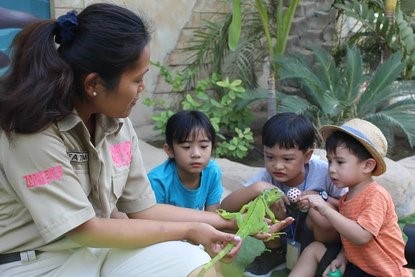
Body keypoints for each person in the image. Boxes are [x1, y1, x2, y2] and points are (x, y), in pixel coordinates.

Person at [0, 4, 294, 276]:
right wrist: (191, 230)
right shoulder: (31, 130)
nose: (142, 89)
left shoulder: (117, 124)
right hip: (37, 263)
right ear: (94, 84)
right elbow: (83, 229)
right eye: (136, 80)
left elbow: (143, 209)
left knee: (197, 265)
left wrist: (231, 223)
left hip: (98, 251)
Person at [221, 112, 347, 277]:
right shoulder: (265, 178)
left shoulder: (325, 172)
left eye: (287, 159)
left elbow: (348, 208)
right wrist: (258, 188)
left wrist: (320, 197)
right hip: (284, 235)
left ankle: (320, 256)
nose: (277, 166)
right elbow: (225, 207)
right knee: (265, 200)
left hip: (320, 237)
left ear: (307, 155)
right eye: (270, 157)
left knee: (319, 211)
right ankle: (276, 253)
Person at [289, 118, 412, 277]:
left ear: (368, 165)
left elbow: (361, 236)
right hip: (358, 267)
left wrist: (325, 208)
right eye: (329, 161)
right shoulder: (346, 198)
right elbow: (349, 240)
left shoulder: (376, 195)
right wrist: (343, 258)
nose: (331, 169)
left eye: (340, 162)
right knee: (314, 249)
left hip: (385, 273)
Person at [148, 110, 223, 211]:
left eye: (203, 146)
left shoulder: (212, 172)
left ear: (212, 148)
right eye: (186, 147)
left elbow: (213, 215)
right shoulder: (157, 181)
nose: (196, 154)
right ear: (170, 150)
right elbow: (152, 221)